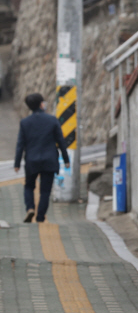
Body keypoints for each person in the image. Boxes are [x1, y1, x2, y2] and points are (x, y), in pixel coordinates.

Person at [14, 93, 70, 223]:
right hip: (49, 160)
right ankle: (40, 217)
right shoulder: (52, 120)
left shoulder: (25, 122)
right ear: (41, 104)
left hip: (31, 161)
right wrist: (66, 159)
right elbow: (61, 141)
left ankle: (30, 208)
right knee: (45, 190)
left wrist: (17, 163)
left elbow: (20, 144)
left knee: (29, 186)